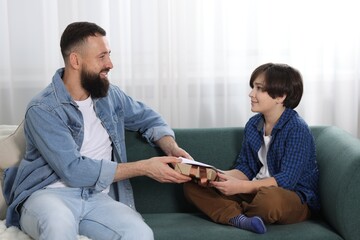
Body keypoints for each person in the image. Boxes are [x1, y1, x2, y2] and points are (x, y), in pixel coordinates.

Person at [3, 21, 192, 240]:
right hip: (49, 195)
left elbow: (149, 118)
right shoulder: (43, 109)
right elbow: (73, 170)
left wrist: (171, 146)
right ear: (76, 60)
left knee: (139, 233)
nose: (110, 64)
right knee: (58, 226)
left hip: (97, 198)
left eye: (109, 54)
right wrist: (144, 168)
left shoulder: (110, 96)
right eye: (102, 57)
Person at [183, 63, 320, 234]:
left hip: (291, 197)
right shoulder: (253, 124)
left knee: (269, 200)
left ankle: (230, 211)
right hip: (254, 189)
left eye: (259, 89)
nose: (251, 94)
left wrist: (240, 187)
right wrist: (216, 175)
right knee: (193, 185)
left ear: (281, 96)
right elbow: (246, 167)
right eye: (253, 87)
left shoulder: (297, 128)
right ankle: (240, 219)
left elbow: (286, 180)